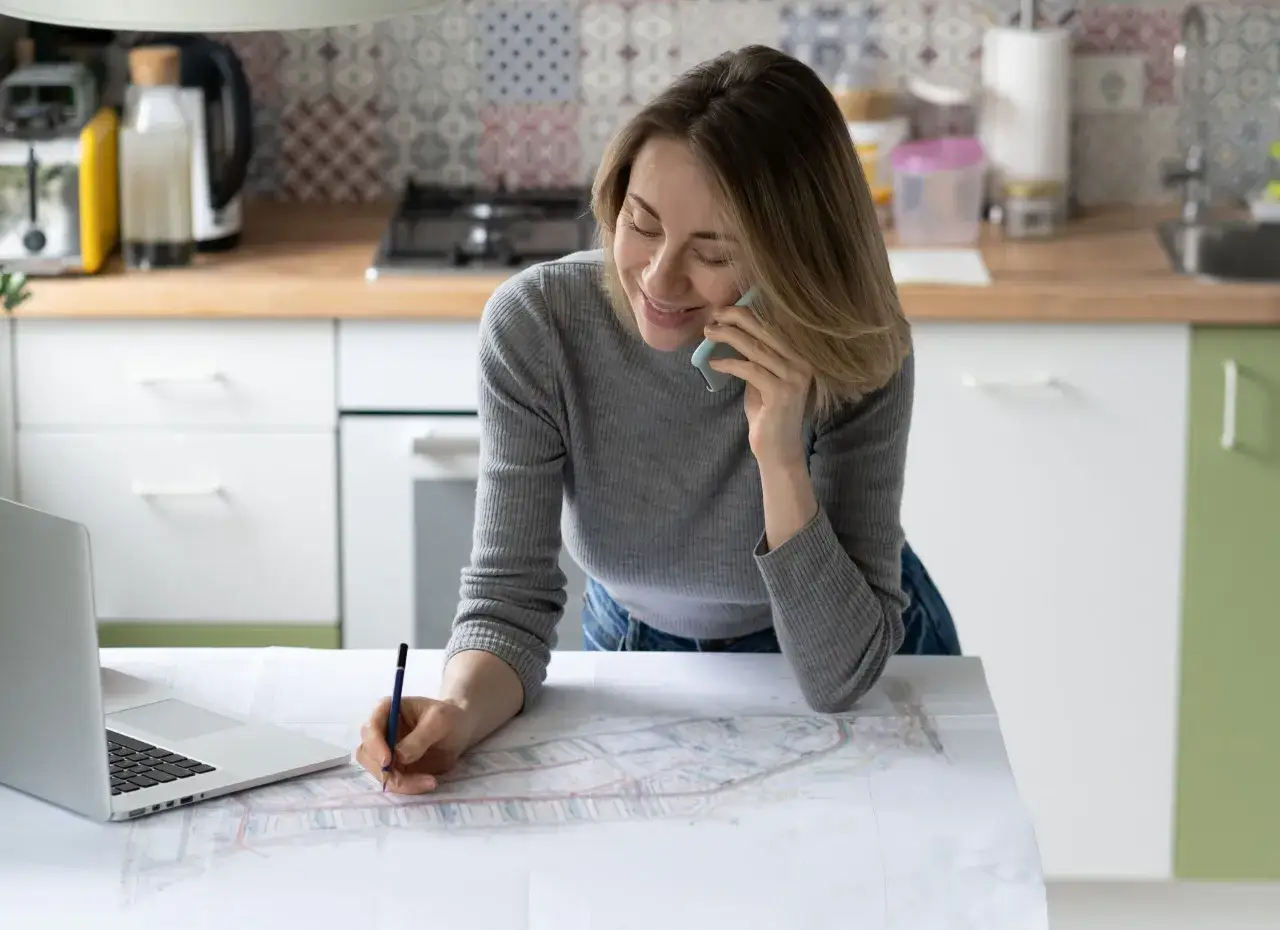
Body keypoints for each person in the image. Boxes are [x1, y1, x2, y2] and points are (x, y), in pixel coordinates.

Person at [356, 45, 960, 794]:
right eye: (641, 224)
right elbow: (509, 603)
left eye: (713, 253)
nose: (659, 279)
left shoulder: (858, 352)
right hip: (634, 641)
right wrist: (455, 711)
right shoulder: (541, 324)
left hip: (851, 642)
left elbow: (839, 678)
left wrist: (779, 454)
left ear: (792, 261)